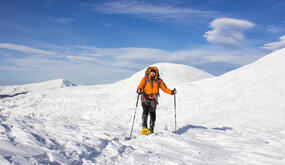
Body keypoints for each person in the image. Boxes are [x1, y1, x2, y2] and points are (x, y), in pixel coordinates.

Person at [137, 66, 176, 133]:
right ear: (149, 72)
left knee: (152, 112)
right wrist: (139, 89)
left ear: (156, 73)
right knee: (145, 110)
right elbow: (140, 85)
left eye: (154, 72)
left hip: (153, 98)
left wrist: (171, 92)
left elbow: (165, 88)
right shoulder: (145, 78)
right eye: (152, 72)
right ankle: (144, 127)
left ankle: (151, 128)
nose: (153, 73)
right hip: (145, 97)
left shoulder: (159, 81)